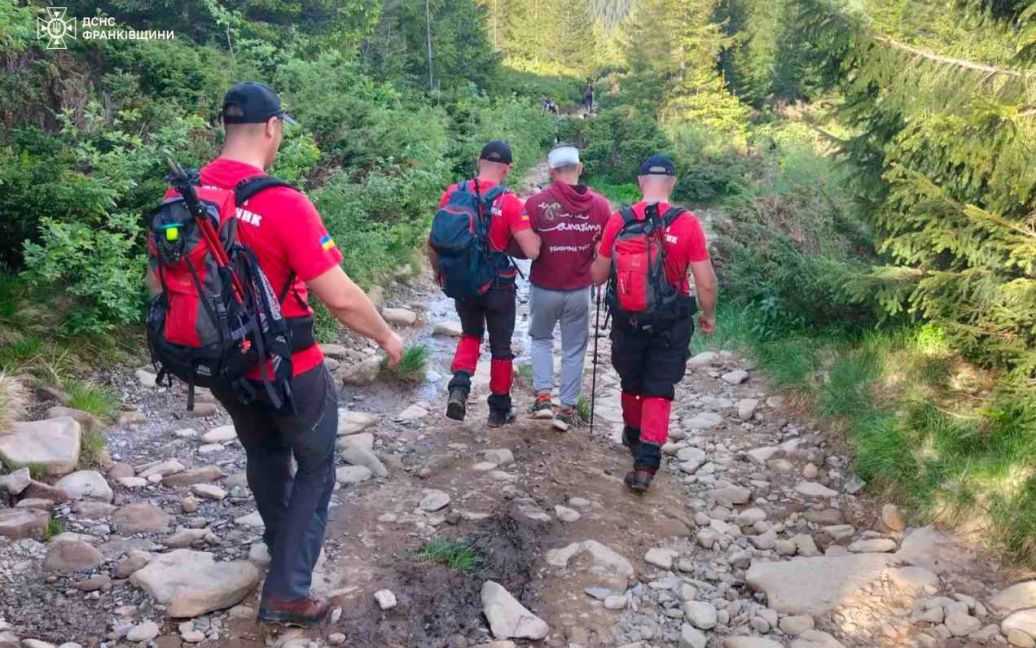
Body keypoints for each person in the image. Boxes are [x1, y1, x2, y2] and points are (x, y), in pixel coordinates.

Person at [150, 81, 404, 626]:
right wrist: (386, 336)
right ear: (272, 128)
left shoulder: (187, 195)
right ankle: (288, 592)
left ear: (226, 127)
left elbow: (164, 283)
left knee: (263, 452)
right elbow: (339, 297)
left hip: (220, 362)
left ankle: (279, 539)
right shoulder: (284, 203)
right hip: (289, 366)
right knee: (316, 463)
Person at [590, 153, 717, 493]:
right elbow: (705, 282)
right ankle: (647, 461)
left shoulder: (619, 220)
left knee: (632, 381)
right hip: (670, 320)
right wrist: (708, 315)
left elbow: (598, 276)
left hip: (627, 319)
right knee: (659, 385)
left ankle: (632, 434)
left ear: (640, 182)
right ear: (673, 183)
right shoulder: (687, 223)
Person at [430, 140, 541, 426]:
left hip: (462, 280)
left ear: (479, 161)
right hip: (498, 287)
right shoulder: (510, 202)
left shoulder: (453, 193)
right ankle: (499, 408)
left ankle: (459, 387)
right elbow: (531, 251)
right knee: (501, 347)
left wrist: (437, 273)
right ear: (508, 168)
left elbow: (435, 240)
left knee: (470, 334)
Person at [524, 144, 611, 431]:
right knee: (574, 348)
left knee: (541, 339)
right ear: (580, 168)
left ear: (551, 172)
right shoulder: (601, 206)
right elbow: (605, 250)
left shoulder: (536, 204)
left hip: (544, 286)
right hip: (579, 289)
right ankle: (567, 409)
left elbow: (526, 247)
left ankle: (543, 398)